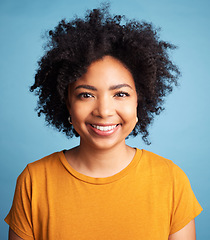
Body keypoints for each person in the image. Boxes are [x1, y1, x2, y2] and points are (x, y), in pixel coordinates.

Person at [5, 3, 202, 240]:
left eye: (120, 94)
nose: (104, 111)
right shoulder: (34, 180)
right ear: (67, 103)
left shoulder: (171, 179)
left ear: (140, 100)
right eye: (86, 95)